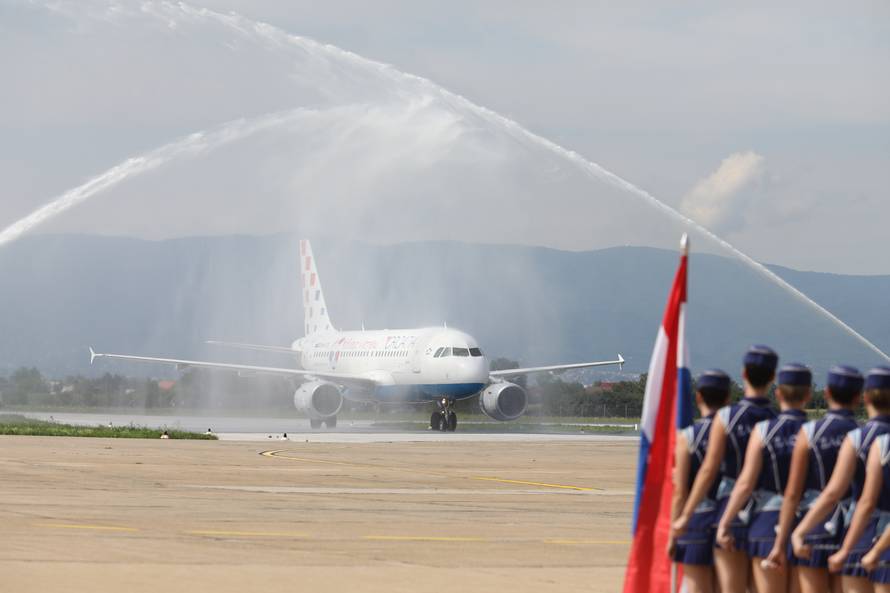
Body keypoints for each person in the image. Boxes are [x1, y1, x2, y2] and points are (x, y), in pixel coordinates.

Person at [673, 345, 779, 593]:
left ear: (744, 374)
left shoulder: (728, 417)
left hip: (729, 511)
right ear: (773, 377)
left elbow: (709, 470)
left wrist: (685, 516)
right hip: (766, 513)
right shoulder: (776, 420)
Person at [765, 365, 863, 593]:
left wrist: (782, 542)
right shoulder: (863, 435)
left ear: (826, 393)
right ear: (858, 397)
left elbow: (793, 492)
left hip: (815, 527)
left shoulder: (810, 433)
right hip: (855, 530)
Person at [793, 366, 890, 593]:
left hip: (862, 535)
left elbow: (836, 493)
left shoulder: (858, 439)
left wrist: (801, 531)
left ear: (865, 397)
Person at [716, 363, 811, 593]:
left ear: (778, 393)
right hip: (809, 524)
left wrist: (724, 522)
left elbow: (746, 482)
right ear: (809, 395)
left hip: (767, 523)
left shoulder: (765, 430)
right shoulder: (814, 431)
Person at [669, 369, 733, 593]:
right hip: (732, 521)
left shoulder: (688, 436)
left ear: (698, 397)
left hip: (698, 521)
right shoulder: (740, 436)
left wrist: (674, 530)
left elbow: (680, 492)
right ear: (727, 399)